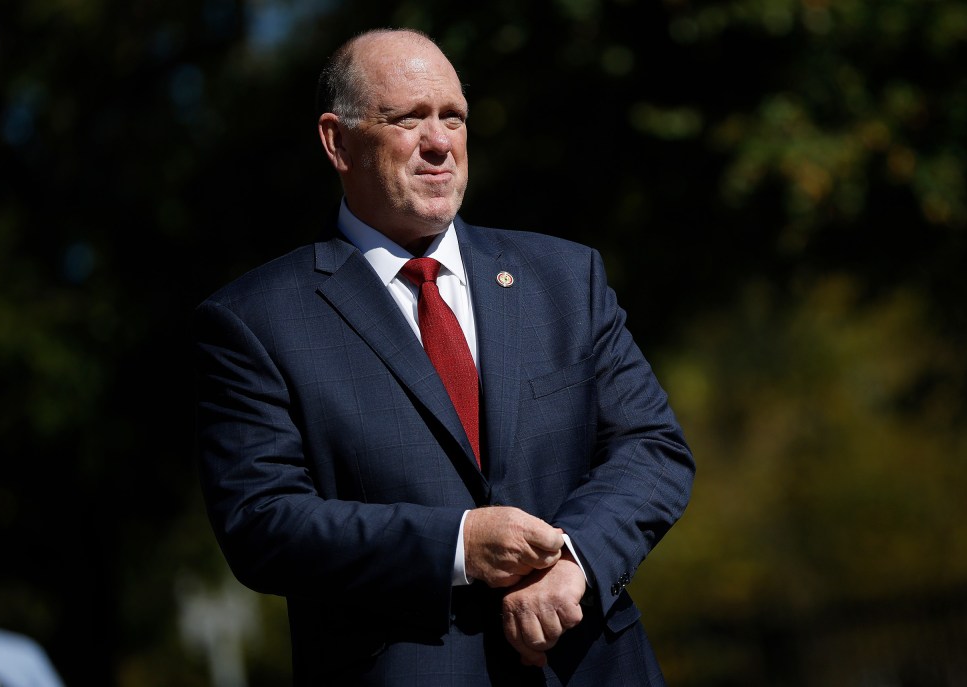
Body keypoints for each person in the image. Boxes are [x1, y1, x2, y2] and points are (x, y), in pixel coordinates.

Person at [194, 27, 695, 685]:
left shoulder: (565, 278)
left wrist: (577, 561)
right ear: (337, 142)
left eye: (453, 117)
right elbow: (262, 523)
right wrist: (457, 545)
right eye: (408, 119)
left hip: (590, 666)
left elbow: (652, 446)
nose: (439, 143)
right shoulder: (256, 321)